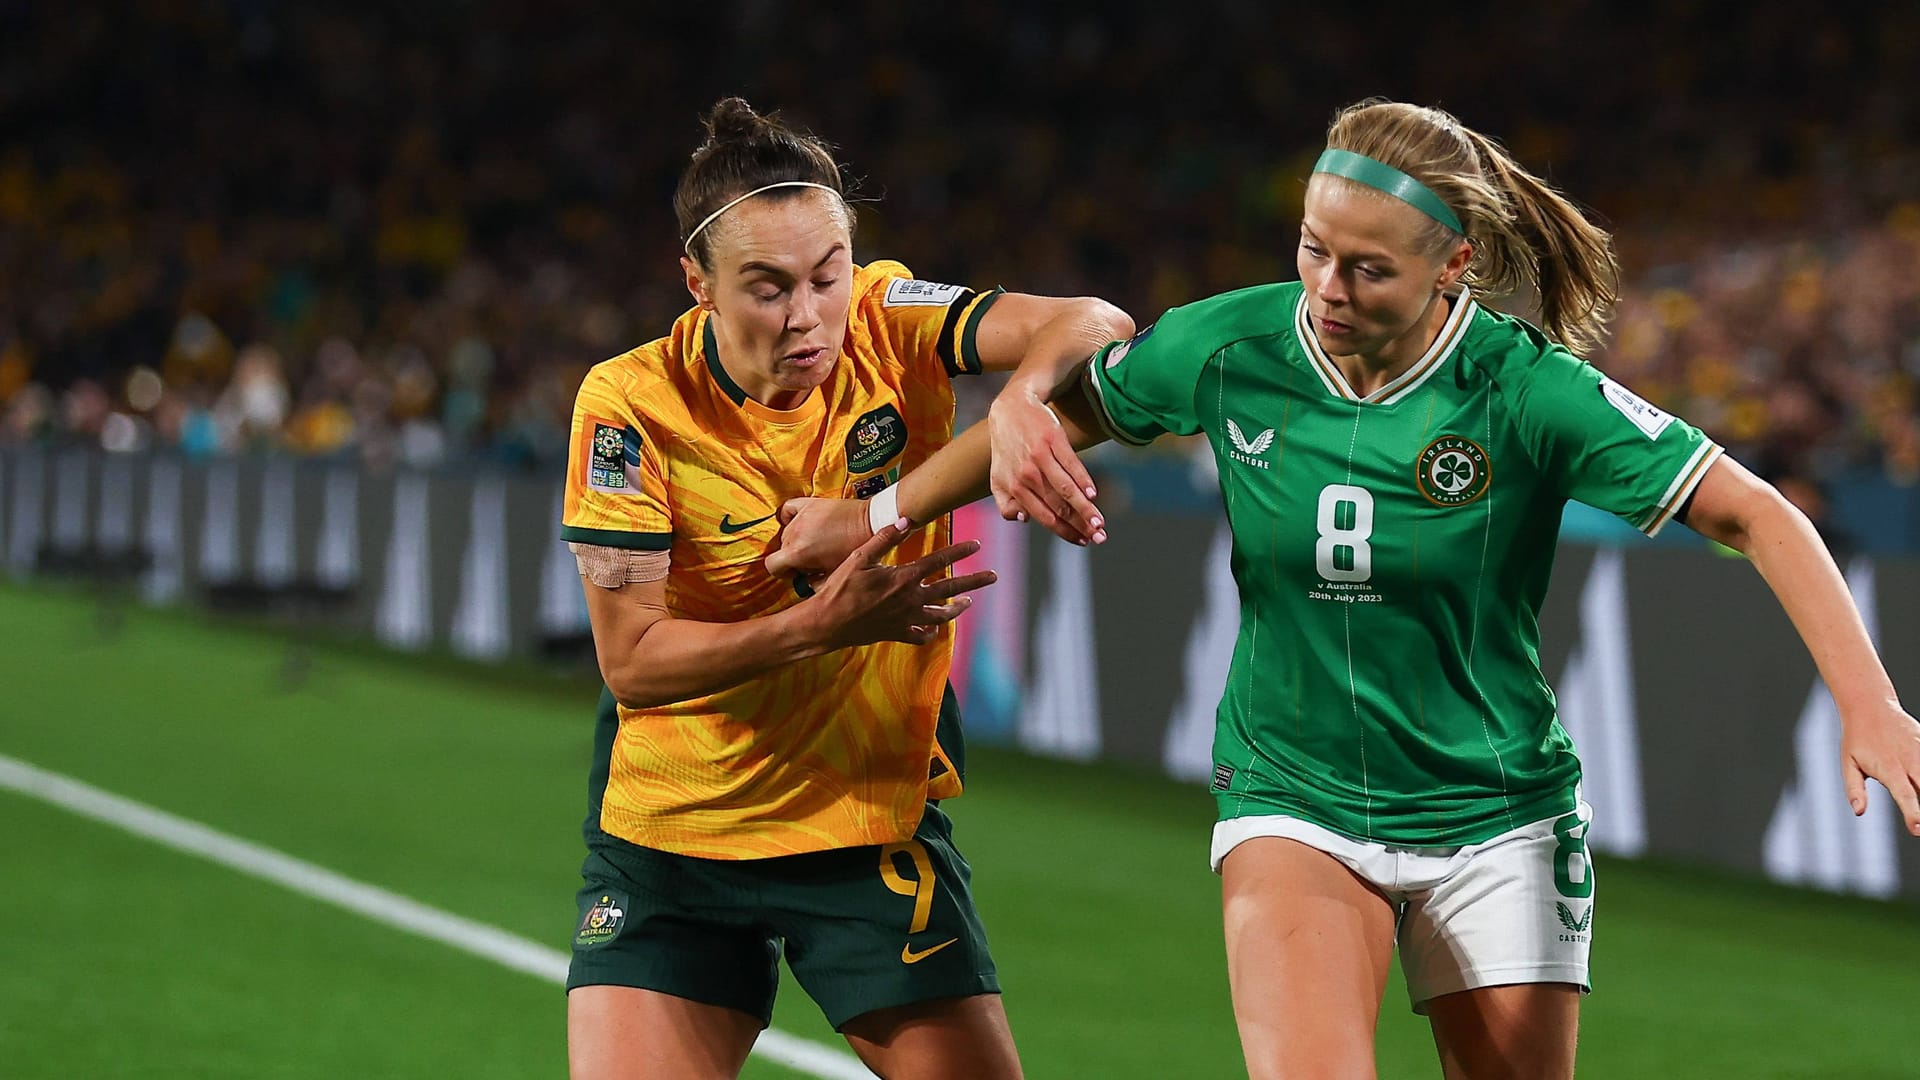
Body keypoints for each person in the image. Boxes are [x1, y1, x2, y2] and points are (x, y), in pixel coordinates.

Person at [771, 99, 1920, 1079]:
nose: (1325, 285)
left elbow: (1757, 513)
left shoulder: (1526, 392)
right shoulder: (1235, 346)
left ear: (1453, 264)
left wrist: (1868, 702)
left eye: (1368, 267)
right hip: (1294, 792)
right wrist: (886, 508)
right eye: (1314, 248)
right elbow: (1063, 402)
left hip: (1495, 812)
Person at [558, 97, 1131, 1080]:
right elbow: (633, 661)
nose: (808, 315)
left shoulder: (888, 313)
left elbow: (1096, 324)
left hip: (863, 824)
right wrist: (820, 626)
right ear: (696, 283)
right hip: (674, 837)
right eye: (767, 288)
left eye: (827, 275)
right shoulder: (628, 407)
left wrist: (1023, 407)